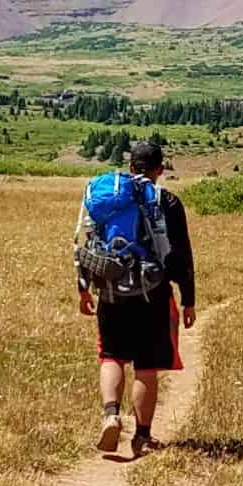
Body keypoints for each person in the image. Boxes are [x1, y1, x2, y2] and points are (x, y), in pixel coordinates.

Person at [74, 137, 196, 457]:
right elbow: (182, 255)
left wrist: (83, 288)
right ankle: (141, 437)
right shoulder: (166, 201)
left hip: (110, 288)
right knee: (146, 365)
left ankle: (111, 414)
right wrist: (188, 300)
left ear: (130, 167)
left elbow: (83, 241)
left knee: (111, 355)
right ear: (159, 169)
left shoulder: (103, 195)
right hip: (151, 292)